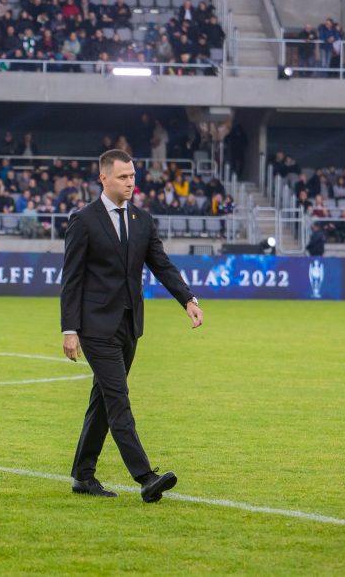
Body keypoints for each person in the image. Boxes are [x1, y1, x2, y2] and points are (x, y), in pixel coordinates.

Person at [60, 149, 203, 504]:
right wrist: (69, 329)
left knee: (104, 401)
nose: (130, 182)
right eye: (123, 177)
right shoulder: (84, 220)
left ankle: (82, 475)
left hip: (129, 327)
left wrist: (188, 299)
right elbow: (71, 280)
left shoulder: (142, 219)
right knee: (118, 399)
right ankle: (145, 476)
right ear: (104, 178)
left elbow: (162, 264)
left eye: (133, 176)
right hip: (95, 328)